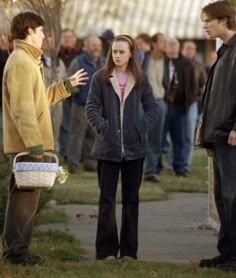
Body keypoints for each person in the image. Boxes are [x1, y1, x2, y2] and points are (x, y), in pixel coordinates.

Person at [2, 12, 88, 265]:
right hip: (26, 145)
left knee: (22, 202)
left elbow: (38, 102)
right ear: (29, 30)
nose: (44, 36)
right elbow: (22, 108)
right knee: (23, 205)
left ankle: (15, 251)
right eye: (41, 31)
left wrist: (65, 87)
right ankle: (17, 254)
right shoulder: (20, 61)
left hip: (28, 143)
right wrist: (34, 144)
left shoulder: (27, 60)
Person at [85, 35, 158, 260]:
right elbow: (91, 108)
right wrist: (105, 129)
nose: (117, 56)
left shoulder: (141, 78)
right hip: (108, 150)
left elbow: (152, 107)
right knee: (107, 200)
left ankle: (129, 252)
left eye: (121, 52)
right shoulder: (101, 77)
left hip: (135, 150)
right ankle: (106, 251)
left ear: (131, 54)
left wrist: (140, 128)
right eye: (114, 52)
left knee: (131, 200)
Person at [198, 1, 236, 272]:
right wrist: (208, 137)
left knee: (233, 195)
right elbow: (214, 97)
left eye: (208, 20)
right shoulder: (224, 52)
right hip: (219, 135)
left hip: (231, 135)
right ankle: (226, 252)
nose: (204, 26)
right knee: (222, 197)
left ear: (224, 19)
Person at [67, 35, 105, 173]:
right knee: (76, 136)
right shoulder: (78, 62)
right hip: (80, 106)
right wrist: (79, 93)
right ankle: (73, 164)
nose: (96, 48)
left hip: (98, 108)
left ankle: (90, 163)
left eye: (98, 45)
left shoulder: (104, 63)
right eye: (93, 45)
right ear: (86, 47)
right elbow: (69, 81)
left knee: (93, 137)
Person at [142, 32, 167, 183]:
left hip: (161, 102)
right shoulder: (143, 58)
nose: (165, 44)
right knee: (141, 136)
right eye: (162, 41)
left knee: (157, 138)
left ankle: (151, 170)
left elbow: (171, 81)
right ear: (154, 44)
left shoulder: (168, 61)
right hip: (143, 102)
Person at [181, 40, 207, 172]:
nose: (189, 50)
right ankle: (172, 164)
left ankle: (186, 165)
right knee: (175, 135)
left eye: (192, 48)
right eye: (187, 48)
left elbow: (204, 83)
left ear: (195, 51)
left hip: (192, 103)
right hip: (177, 103)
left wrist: (198, 93)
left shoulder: (199, 66)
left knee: (189, 135)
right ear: (182, 49)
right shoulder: (177, 64)